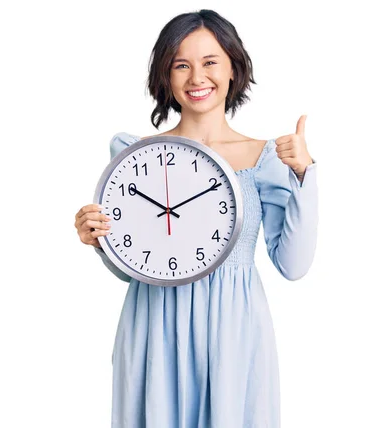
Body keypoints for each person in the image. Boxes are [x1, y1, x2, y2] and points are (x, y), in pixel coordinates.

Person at [74, 9, 318, 427]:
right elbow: (131, 268)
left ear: (232, 69)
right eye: (181, 65)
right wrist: (98, 239)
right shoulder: (134, 155)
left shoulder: (266, 158)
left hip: (234, 331)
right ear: (165, 75)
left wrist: (303, 175)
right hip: (153, 324)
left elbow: (293, 265)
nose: (196, 78)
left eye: (210, 62)